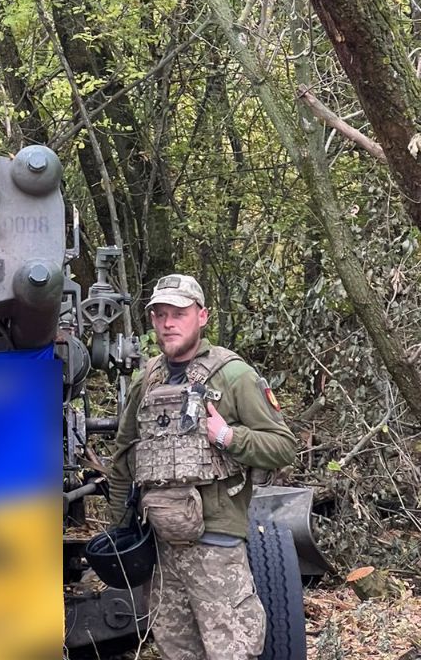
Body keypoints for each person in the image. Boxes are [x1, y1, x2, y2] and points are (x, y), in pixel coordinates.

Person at [106, 273, 296, 660]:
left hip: (216, 547)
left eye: (178, 312)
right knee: (178, 652)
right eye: (159, 315)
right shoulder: (148, 380)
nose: (168, 323)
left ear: (202, 316)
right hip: (161, 548)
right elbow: (125, 457)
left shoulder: (234, 375)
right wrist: (118, 532)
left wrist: (228, 436)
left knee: (231, 653)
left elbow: (283, 446)